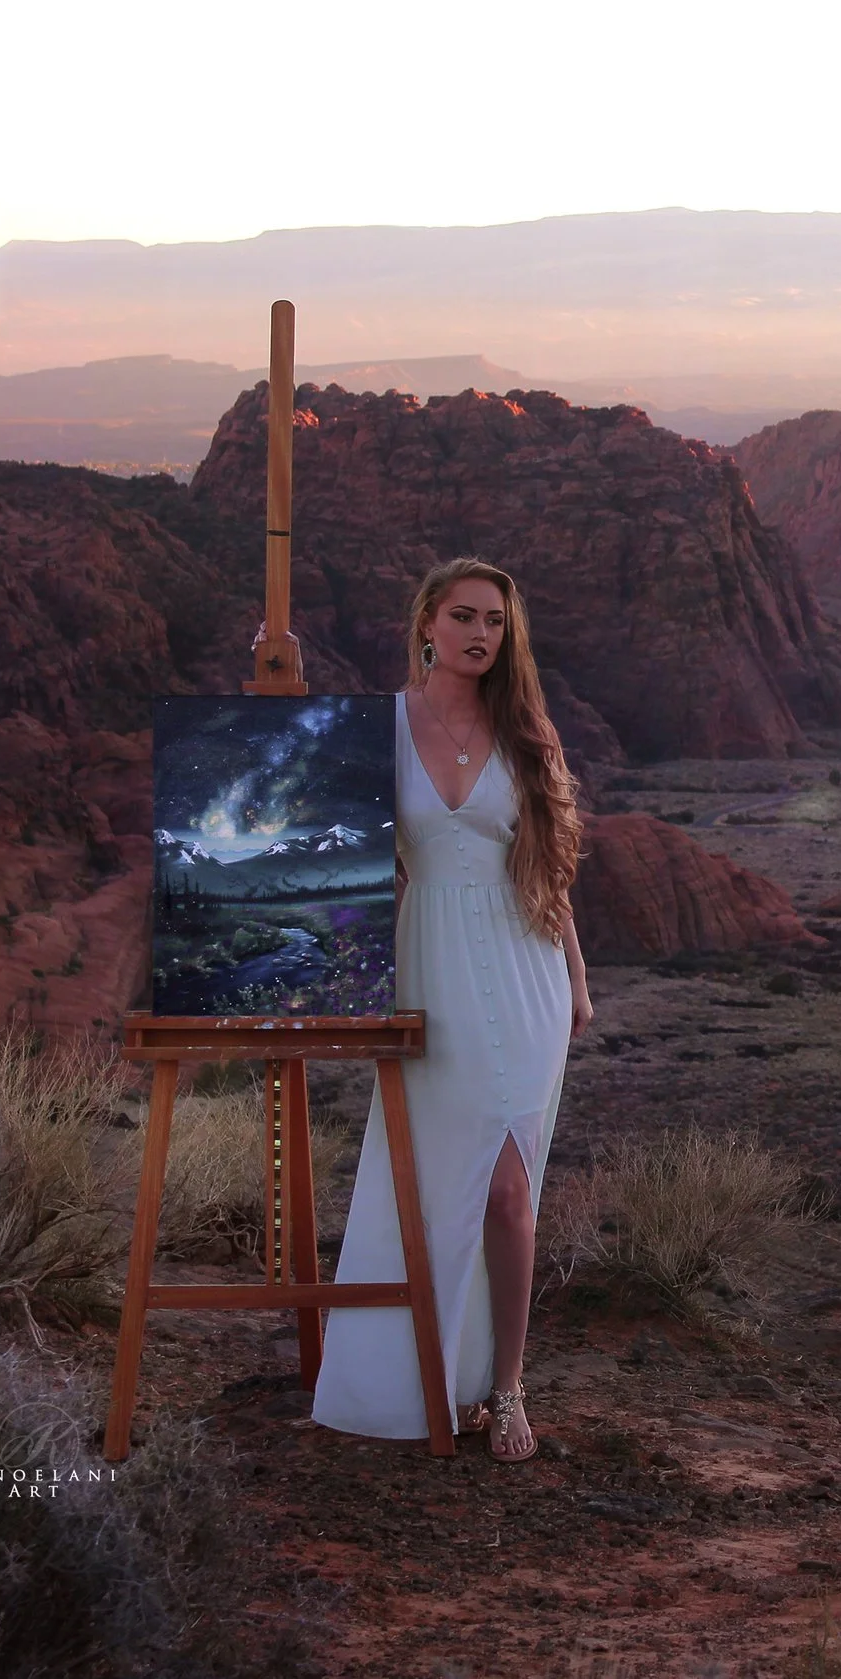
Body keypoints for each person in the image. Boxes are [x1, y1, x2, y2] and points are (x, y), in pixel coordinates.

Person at [311, 558, 593, 1461]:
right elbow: (331, 840)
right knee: (439, 1179)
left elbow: (551, 866)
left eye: (495, 622)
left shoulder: (526, 730)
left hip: (526, 966)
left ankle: (506, 1388)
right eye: (465, 616)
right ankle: (430, 1376)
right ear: (427, 621)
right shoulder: (382, 727)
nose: (481, 634)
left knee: (510, 1188)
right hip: (429, 968)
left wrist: (577, 977)